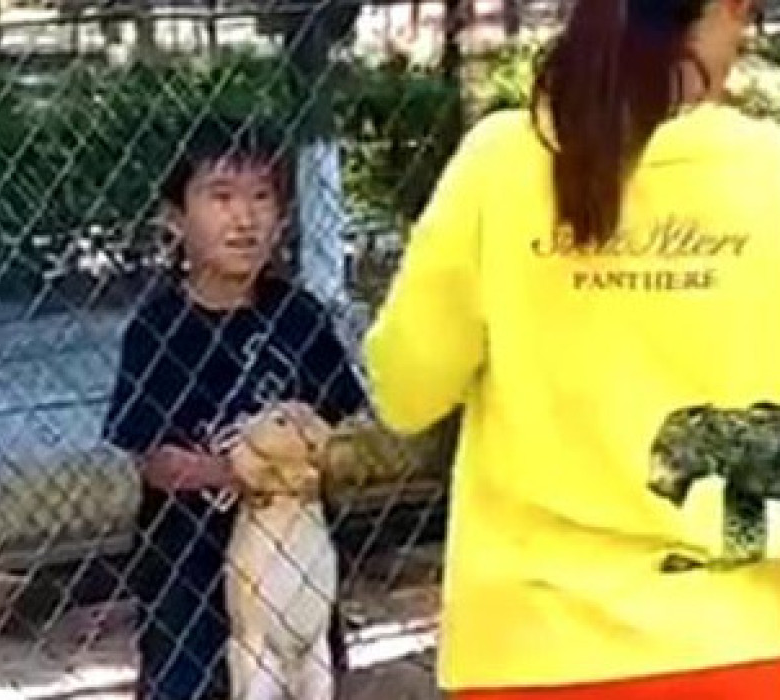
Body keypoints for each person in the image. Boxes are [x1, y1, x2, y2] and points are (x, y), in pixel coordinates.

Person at [362, 0, 780, 699]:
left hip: (530, 649)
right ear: (728, 9)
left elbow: (405, 390)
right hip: (745, 643)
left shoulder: (499, 163)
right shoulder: (770, 171)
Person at [102, 118, 368, 700]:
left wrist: (317, 457)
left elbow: (339, 427)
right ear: (175, 219)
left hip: (294, 567)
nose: (244, 218)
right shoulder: (158, 328)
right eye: (221, 197)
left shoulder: (298, 317)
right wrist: (243, 471)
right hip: (189, 573)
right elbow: (155, 461)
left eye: (261, 197)